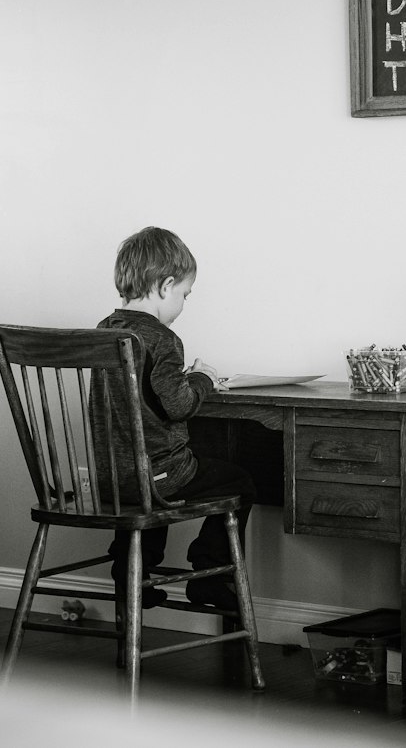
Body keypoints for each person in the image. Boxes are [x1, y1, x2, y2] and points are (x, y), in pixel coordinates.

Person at [95, 225, 255, 612]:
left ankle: (131, 576)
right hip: (157, 477)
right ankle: (211, 577)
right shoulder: (162, 339)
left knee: (149, 496)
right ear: (166, 286)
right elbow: (179, 405)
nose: (183, 302)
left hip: (112, 479)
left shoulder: (103, 331)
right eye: (185, 293)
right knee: (240, 482)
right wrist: (203, 378)